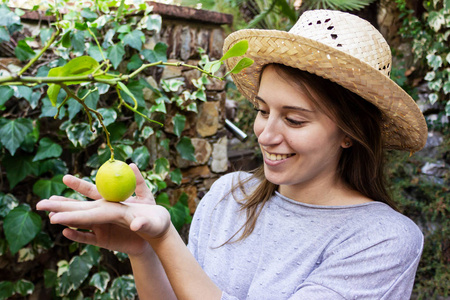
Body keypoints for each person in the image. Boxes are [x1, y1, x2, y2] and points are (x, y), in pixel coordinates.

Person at [37, 9, 428, 300]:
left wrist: (166, 237)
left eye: (293, 120)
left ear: (348, 133)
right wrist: (145, 249)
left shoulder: (382, 240)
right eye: (262, 110)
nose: (266, 134)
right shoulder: (229, 194)